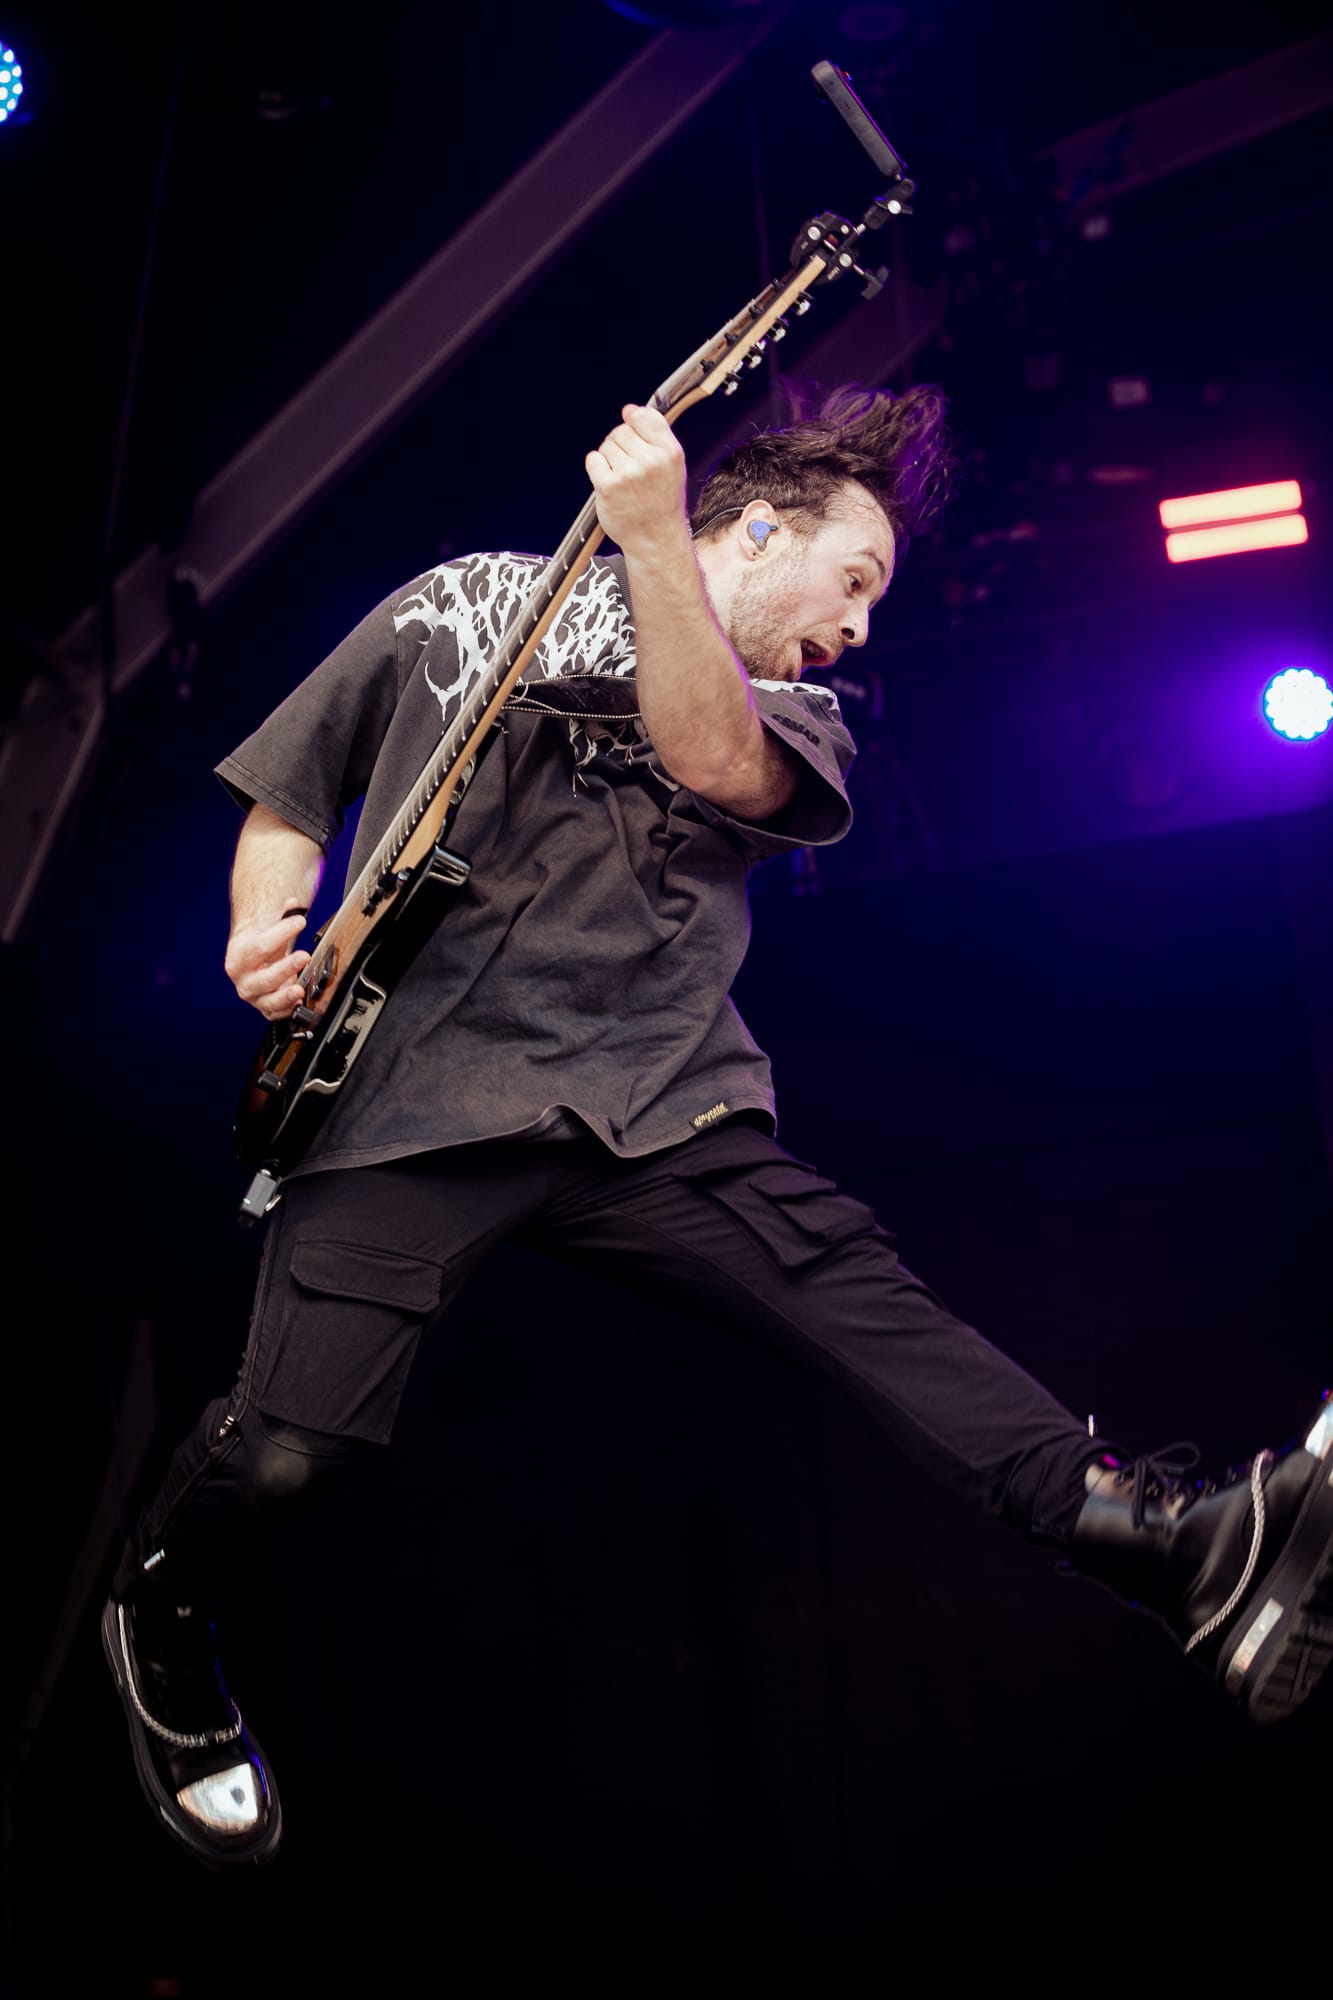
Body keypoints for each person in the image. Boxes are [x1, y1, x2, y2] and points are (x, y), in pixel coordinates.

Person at [102, 382, 1333, 1871]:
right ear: (756, 532)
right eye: (853, 581)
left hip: (652, 1104)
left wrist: (649, 548)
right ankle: (160, 1608)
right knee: (293, 1453)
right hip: (401, 1105)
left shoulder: (794, 716)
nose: (859, 627)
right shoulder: (467, 605)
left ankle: (1165, 1546)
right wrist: (265, 923)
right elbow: (294, 787)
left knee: (858, 1298)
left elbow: (705, 754)